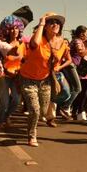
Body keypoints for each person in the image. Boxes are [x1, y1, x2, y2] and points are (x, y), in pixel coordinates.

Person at [19, 12, 71, 147]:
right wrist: (41, 22)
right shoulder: (38, 39)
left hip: (45, 80)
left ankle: (33, 122)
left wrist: (58, 67)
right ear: (45, 26)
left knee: (42, 111)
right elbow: (34, 43)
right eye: (51, 22)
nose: (56, 24)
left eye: (58, 22)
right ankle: (32, 135)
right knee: (35, 110)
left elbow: (66, 59)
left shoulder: (63, 43)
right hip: (28, 78)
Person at [0, 15, 26, 129]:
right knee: (4, 102)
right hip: (4, 75)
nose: (14, 31)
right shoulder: (3, 44)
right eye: (12, 28)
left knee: (16, 100)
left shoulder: (22, 45)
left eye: (16, 28)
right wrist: (7, 70)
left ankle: (6, 117)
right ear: (7, 30)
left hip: (17, 76)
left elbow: (24, 60)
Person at [71, 25, 87, 121]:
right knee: (79, 90)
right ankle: (74, 110)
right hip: (76, 67)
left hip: (83, 69)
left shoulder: (83, 42)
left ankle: (78, 111)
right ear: (81, 34)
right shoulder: (78, 41)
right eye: (86, 33)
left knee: (84, 92)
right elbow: (81, 52)